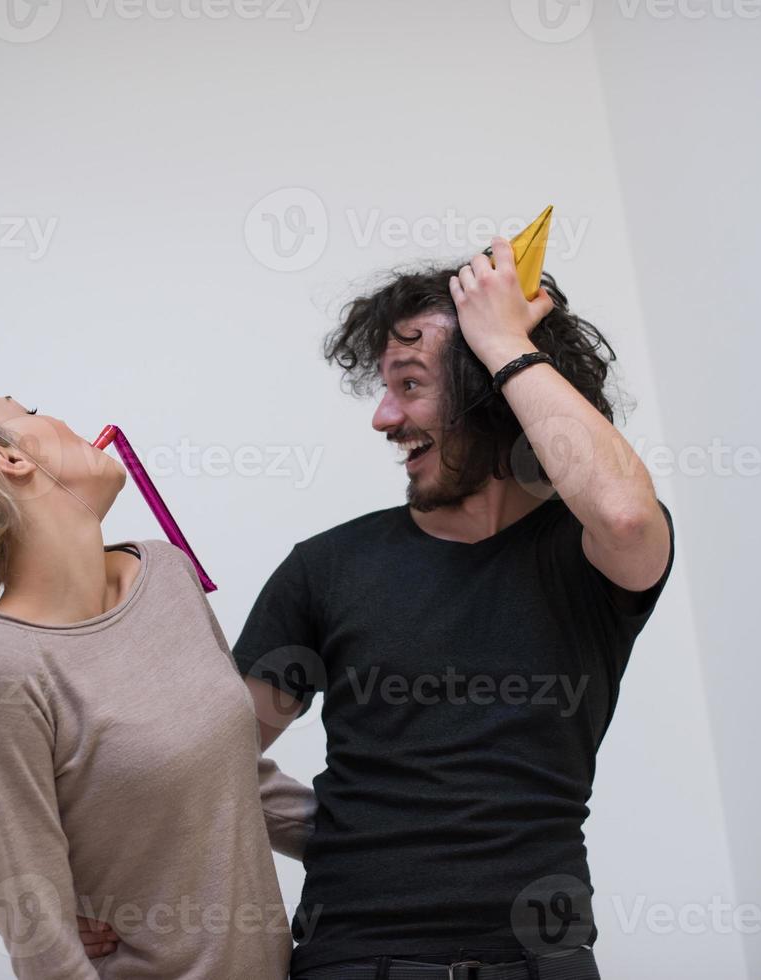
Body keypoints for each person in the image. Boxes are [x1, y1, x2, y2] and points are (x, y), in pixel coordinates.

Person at [231, 239, 676, 980]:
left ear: (492, 390)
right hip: (352, 962)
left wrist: (501, 337)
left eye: (409, 385)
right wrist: (334, 829)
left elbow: (628, 517)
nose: (382, 417)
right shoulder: (327, 567)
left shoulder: (588, 553)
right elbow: (207, 760)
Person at [0, 393, 314, 980]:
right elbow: (43, 944)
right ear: (10, 459)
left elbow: (237, 778)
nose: (60, 418)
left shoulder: (166, 572)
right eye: (29, 409)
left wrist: (397, 841)